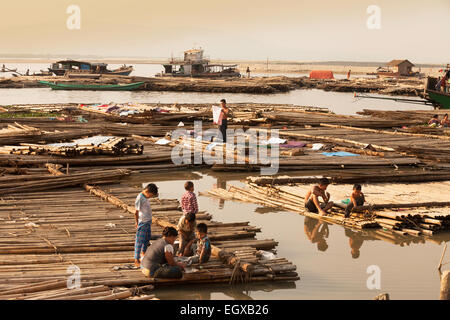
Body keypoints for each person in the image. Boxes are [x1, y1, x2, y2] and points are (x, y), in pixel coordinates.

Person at [134, 183, 158, 267]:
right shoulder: (140, 198)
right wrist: (136, 222)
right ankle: (136, 259)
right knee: (139, 241)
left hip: (148, 221)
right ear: (147, 191)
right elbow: (136, 212)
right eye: (151, 195)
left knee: (146, 239)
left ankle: (143, 254)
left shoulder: (145, 197)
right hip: (143, 222)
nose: (150, 197)